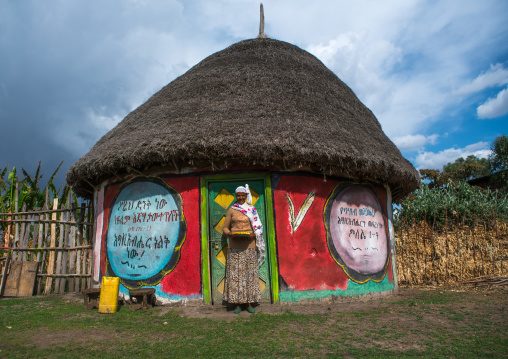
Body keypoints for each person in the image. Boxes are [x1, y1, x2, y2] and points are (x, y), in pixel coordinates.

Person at [222, 184, 265, 314]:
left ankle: (249, 303)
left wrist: (253, 234)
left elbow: (258, 227)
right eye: (239, 195)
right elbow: (225, 227)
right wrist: (230, 234)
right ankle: (237, 305)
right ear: (236, 196)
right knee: (236, 276)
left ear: (246, 196)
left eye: (243, 195)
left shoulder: (252, 210)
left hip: (249, 246)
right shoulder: (231, 210)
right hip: (235, 247)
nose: (241, 198)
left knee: (249, 275)